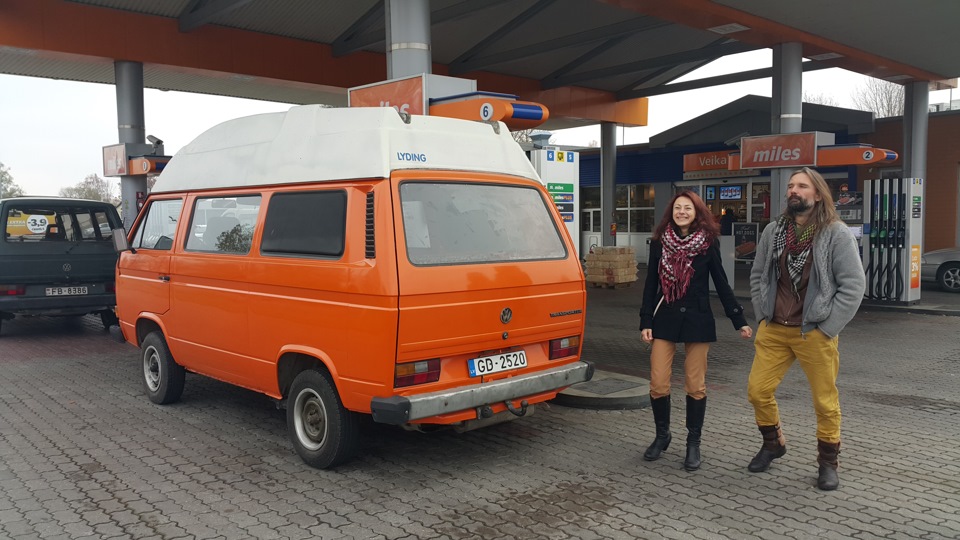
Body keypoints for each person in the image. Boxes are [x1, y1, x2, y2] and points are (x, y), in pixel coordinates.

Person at [746, 167, 865, 491]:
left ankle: (828, 464)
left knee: (825, 402)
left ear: (817, 194)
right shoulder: (774, 230)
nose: (793, 191)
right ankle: (773, 444)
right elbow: (758, 276)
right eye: (791, 186)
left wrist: (827, 329)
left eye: (801, 186)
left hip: (813, 331)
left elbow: (853, 286)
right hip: (775, 329)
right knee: (757, 391)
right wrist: (761, 315)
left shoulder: (834, 233)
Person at [640, 190, 752, 471]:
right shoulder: (659, 243)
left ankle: (693, 443)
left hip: (698, 320)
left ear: (697, 212)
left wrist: (738, 319)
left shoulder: (707, 243)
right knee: (658, 382)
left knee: (695, 385)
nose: (681, 212)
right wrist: (645, 321)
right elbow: (650, 284)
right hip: (664, 319)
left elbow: (722, 283)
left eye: (687, 208)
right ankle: (662, 436)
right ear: (671, 212)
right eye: (677, 207)